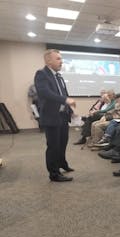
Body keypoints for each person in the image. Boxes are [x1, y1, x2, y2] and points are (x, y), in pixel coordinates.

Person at [34, 49, 76, 182]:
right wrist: (65, 100)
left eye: (61, 59)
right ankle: (54, 174)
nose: (61, 61)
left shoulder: (59, 76)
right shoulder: (42, 74)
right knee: (53, 146)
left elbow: (63, 94)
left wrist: (70, 109)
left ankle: (62, 163)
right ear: (48, 60)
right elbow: (45, 92)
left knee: (62, 143)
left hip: (63, 116)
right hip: (51, 116)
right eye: (58, 59)